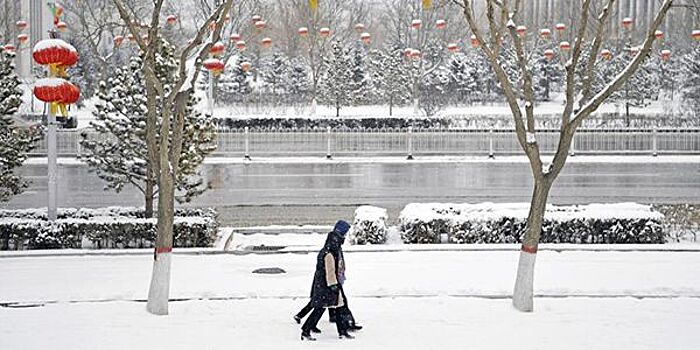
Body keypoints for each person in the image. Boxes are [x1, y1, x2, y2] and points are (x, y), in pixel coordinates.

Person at [300, 220, 357, 341]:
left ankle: (342, 332)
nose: (345, 237)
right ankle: (306, 330)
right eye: (344, 234)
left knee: (338, 306)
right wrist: (334, 285)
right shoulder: (329, 253)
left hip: (326, 284)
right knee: (321, 309)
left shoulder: (330, 250)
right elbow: (330, 271)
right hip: (327, 285)